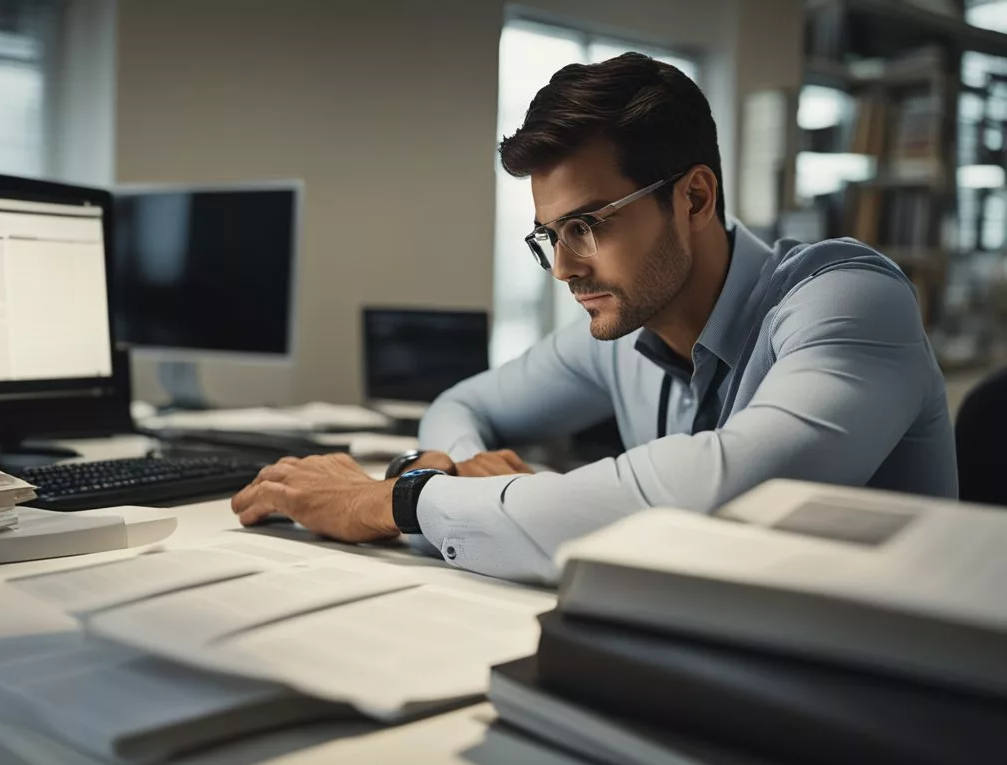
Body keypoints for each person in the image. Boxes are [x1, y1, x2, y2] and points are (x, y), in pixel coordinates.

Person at [231, 52, 957, 584]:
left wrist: (396, 501)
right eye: (550, 234)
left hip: (900, 731)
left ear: (696, 199)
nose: (562, 267)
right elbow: (463, 403)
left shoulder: (849, 299)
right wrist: (445, 464)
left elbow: (719, 491)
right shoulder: (627, 330)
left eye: (588, 226)